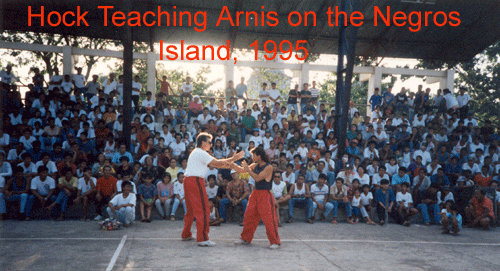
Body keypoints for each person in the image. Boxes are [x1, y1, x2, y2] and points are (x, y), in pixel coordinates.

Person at [181, 132, 244, 247]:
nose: (211, 144)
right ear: (203, 142)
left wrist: (231, 162)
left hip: (189, 180)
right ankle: (203, 238)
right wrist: (233, 159)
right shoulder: (201, 152)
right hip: (195, 181)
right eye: (209, 142)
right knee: (204, 210)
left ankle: (186, 234)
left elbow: (219, 164)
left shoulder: (196, 152)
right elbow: (218, 164)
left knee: (190, 210)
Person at [232, 147, 281, 250]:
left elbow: (258, 177)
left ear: (259, 156)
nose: (252, 157)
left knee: (269, 220)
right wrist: (232, 162)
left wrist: (248, 169)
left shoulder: (269, 167)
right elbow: (243, 170)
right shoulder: (255, 165)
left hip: (265, 195)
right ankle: (245, 238)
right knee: (249, 216)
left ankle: (275, 241)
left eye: (254, 155)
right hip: (255, 193)